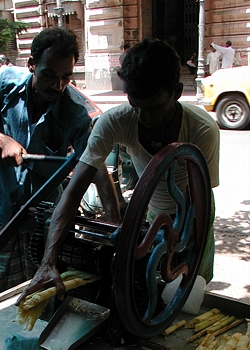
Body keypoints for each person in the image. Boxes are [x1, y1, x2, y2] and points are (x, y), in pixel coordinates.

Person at [17, 37, 220, 305]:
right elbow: (71, 195)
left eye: (154, 108)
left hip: (195, 213)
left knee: (190, 291)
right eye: (137, 107)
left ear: (177, 92)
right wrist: (48, 260)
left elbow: (198, 205)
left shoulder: (202, 130)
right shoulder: (116, 121)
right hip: (153, 211)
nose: (145, 119)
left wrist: (179, 247)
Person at [0, 27, 118, 293]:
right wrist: (2, 140)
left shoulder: (75, 116)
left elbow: (96, 169)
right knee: (5, 286)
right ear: (32, 65)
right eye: (49, 75)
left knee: (43, 287)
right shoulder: (5, 85)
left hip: (45, 221)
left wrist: (115, 223)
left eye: (65, 78)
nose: (57, 85)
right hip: (3, 206)